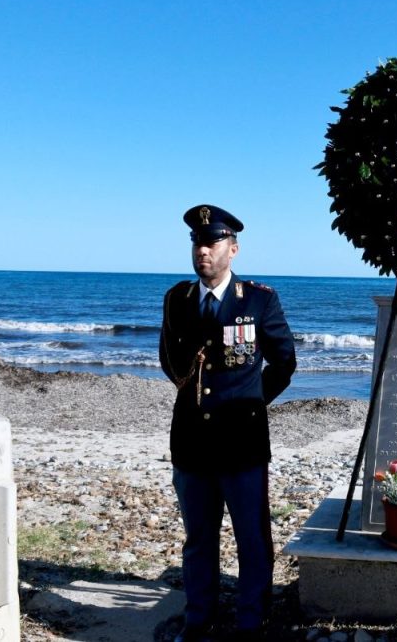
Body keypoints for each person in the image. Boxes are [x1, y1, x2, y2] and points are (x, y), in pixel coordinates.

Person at [160, 204, 297, 642]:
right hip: (192, 441)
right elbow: (167, 358)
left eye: (212, 242)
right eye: (197, 243)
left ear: (232, 249)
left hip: (242, 441)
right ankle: (198, 617)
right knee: (198, 538)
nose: (203, 250)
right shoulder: (177, 299)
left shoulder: (258, 300)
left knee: (251, 538)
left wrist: (250, 403)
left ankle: (249, 621)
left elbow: (284, 362)